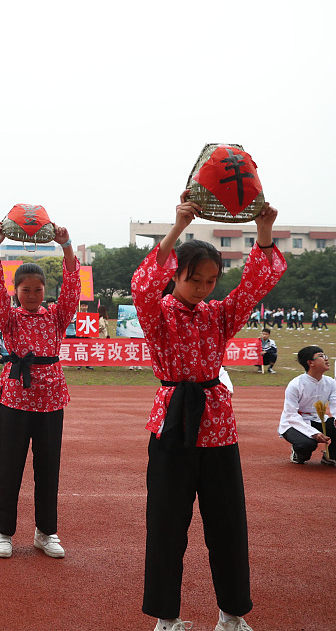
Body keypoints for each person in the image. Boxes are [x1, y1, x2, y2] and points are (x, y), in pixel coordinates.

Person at [132, 190, 284, 631]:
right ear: (175, 276)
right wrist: (177, 226)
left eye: (210, 280)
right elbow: (141, 284)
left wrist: (264, 230)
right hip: (173, 427)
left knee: (229, 525)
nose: (203, 288)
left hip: (219, 428)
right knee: (166, 526)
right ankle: (167, 618)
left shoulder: (218, 315)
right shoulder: (157, 313)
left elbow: (255, 285)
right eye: (194, 279)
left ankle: (231, 614)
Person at [0, 222, 79, 560]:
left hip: (51, 400)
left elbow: (72, 287)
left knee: (48, 468)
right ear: (17, 292)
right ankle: (4, 532)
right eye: (25, 290)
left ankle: (45, 532)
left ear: (45, 291)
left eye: (38, 290)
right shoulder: (8, 318)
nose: (32, 295)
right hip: (15, 400)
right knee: (9, 466)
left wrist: (66, 246)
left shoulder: (56, 316)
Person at [279, 346, 335, 466]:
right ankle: (298, 454)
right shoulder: (295, 385)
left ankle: (331, 455)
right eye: (321, 356)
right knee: (307, 443)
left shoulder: (330, 382)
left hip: (317, 419)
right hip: (293, 423)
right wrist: (314, 433)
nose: (326, 359)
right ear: (310, 362)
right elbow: (291, 415)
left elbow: (335, 405)